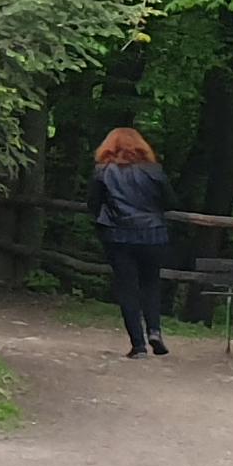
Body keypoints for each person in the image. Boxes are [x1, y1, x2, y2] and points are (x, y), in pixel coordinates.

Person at [89, 126, 172, 357]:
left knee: (127, 288)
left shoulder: (102, 172)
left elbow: (93, 204)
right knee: (151, 284)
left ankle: (138, 345)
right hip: (153, 234)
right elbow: (170, 201)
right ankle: (154, 330)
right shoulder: (154, 172)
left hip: (118, 235)